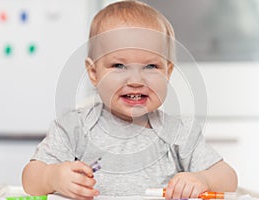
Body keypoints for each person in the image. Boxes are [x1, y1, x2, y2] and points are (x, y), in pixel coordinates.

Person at [22, 1, 238, 200]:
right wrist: (53, 177)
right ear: (93, 73)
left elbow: (228, 179)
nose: (136, 80)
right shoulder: (73, 128)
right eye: (119, 66)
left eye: (151, 66)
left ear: (168, 72)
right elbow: (30, 180)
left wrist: (203, 180)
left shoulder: (179, 132)